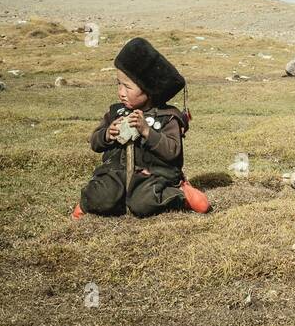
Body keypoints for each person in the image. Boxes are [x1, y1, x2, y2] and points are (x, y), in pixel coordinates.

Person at [76, 37, 210, 218]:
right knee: (103, 197)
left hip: (152, 176)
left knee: (142, 204)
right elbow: (95, 143)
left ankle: (181, 194)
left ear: (149, 90)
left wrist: (147, 131)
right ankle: (87, 203)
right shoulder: (116, 112)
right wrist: (107, 134)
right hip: (117, 173)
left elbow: (173, 151)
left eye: (127, 87)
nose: (121, 92)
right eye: (118, 84)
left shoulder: (167, 117)